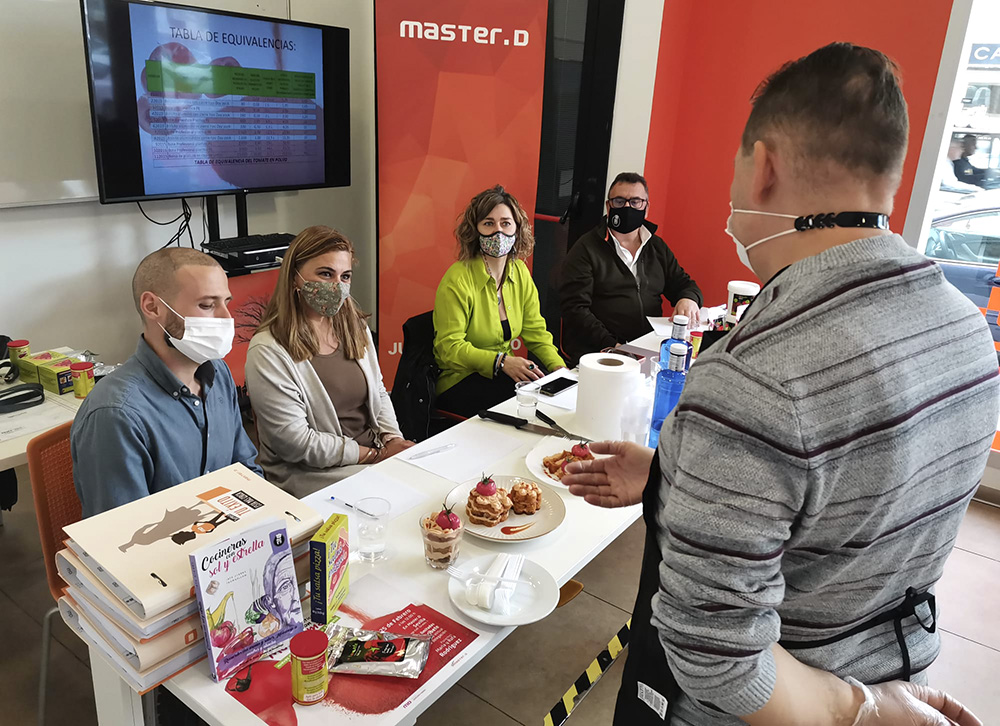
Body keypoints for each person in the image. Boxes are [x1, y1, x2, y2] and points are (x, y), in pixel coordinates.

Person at [562, 43, 994, 726]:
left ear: (762, 167)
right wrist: (676, 476)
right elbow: (844, 507)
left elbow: (717, 654)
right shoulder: (966, 329)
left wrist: (861, 710)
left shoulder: (749, 378)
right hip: (899, 676)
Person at [71, 248, 261, 518]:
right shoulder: (116, 414)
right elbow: (125, 529)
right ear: (153, 307)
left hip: (228, 532)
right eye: (207, 305)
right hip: (168, 542)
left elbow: (245, 470)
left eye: (226, 302)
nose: (227, 318)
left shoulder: (218, 373)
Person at [245, 226, 411, 498]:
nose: (337, 286)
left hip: (372, 456)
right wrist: (374, 456)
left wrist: (393, 440)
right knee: (403, 497)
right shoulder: (268, 350)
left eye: (345, 276)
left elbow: (379, 393)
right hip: (311, 473)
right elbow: (296, 443)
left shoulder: (355, 327)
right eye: (325, 274)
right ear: (294, 277)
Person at [434, 185, 566, 417]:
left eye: (505, 223)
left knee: (554, 397)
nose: (498, 232)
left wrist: (559, 369)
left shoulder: (520, 271)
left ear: (517, 228)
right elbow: (449, 348)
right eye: (488, 223)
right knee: (529, 407)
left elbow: (536, 331)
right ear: (475, 230)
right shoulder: (457, 278)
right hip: (459, 379)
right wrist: (501, 362)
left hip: (504, 371)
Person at [560, 172, 702, 362]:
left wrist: (688, 299)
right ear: (608, 206)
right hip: (601, 352)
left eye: (635, 202)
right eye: (619, 201)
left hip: (648, 348)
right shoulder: (586, 249)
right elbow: (575, 309)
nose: (627, 207)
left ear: (646, 208)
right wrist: (613, 346)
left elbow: (684, 284)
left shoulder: (657, 247)